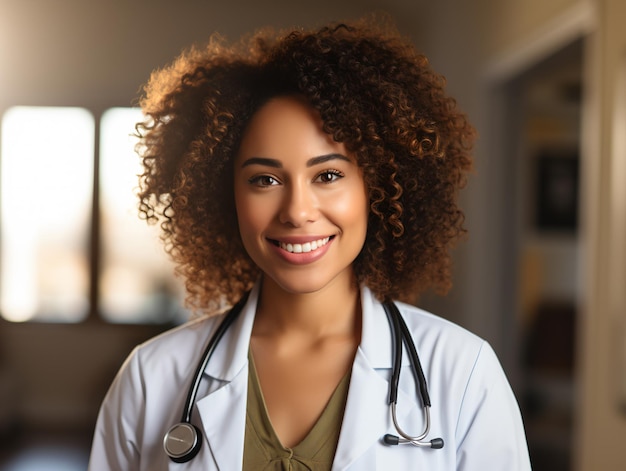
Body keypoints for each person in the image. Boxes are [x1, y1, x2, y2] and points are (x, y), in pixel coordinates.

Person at [88, 16, 531, 470]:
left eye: (329, 175)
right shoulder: (152, 377)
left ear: (377, 186)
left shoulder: (463, 373)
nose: (297, 211)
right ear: (225, 195)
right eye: (264, 179)